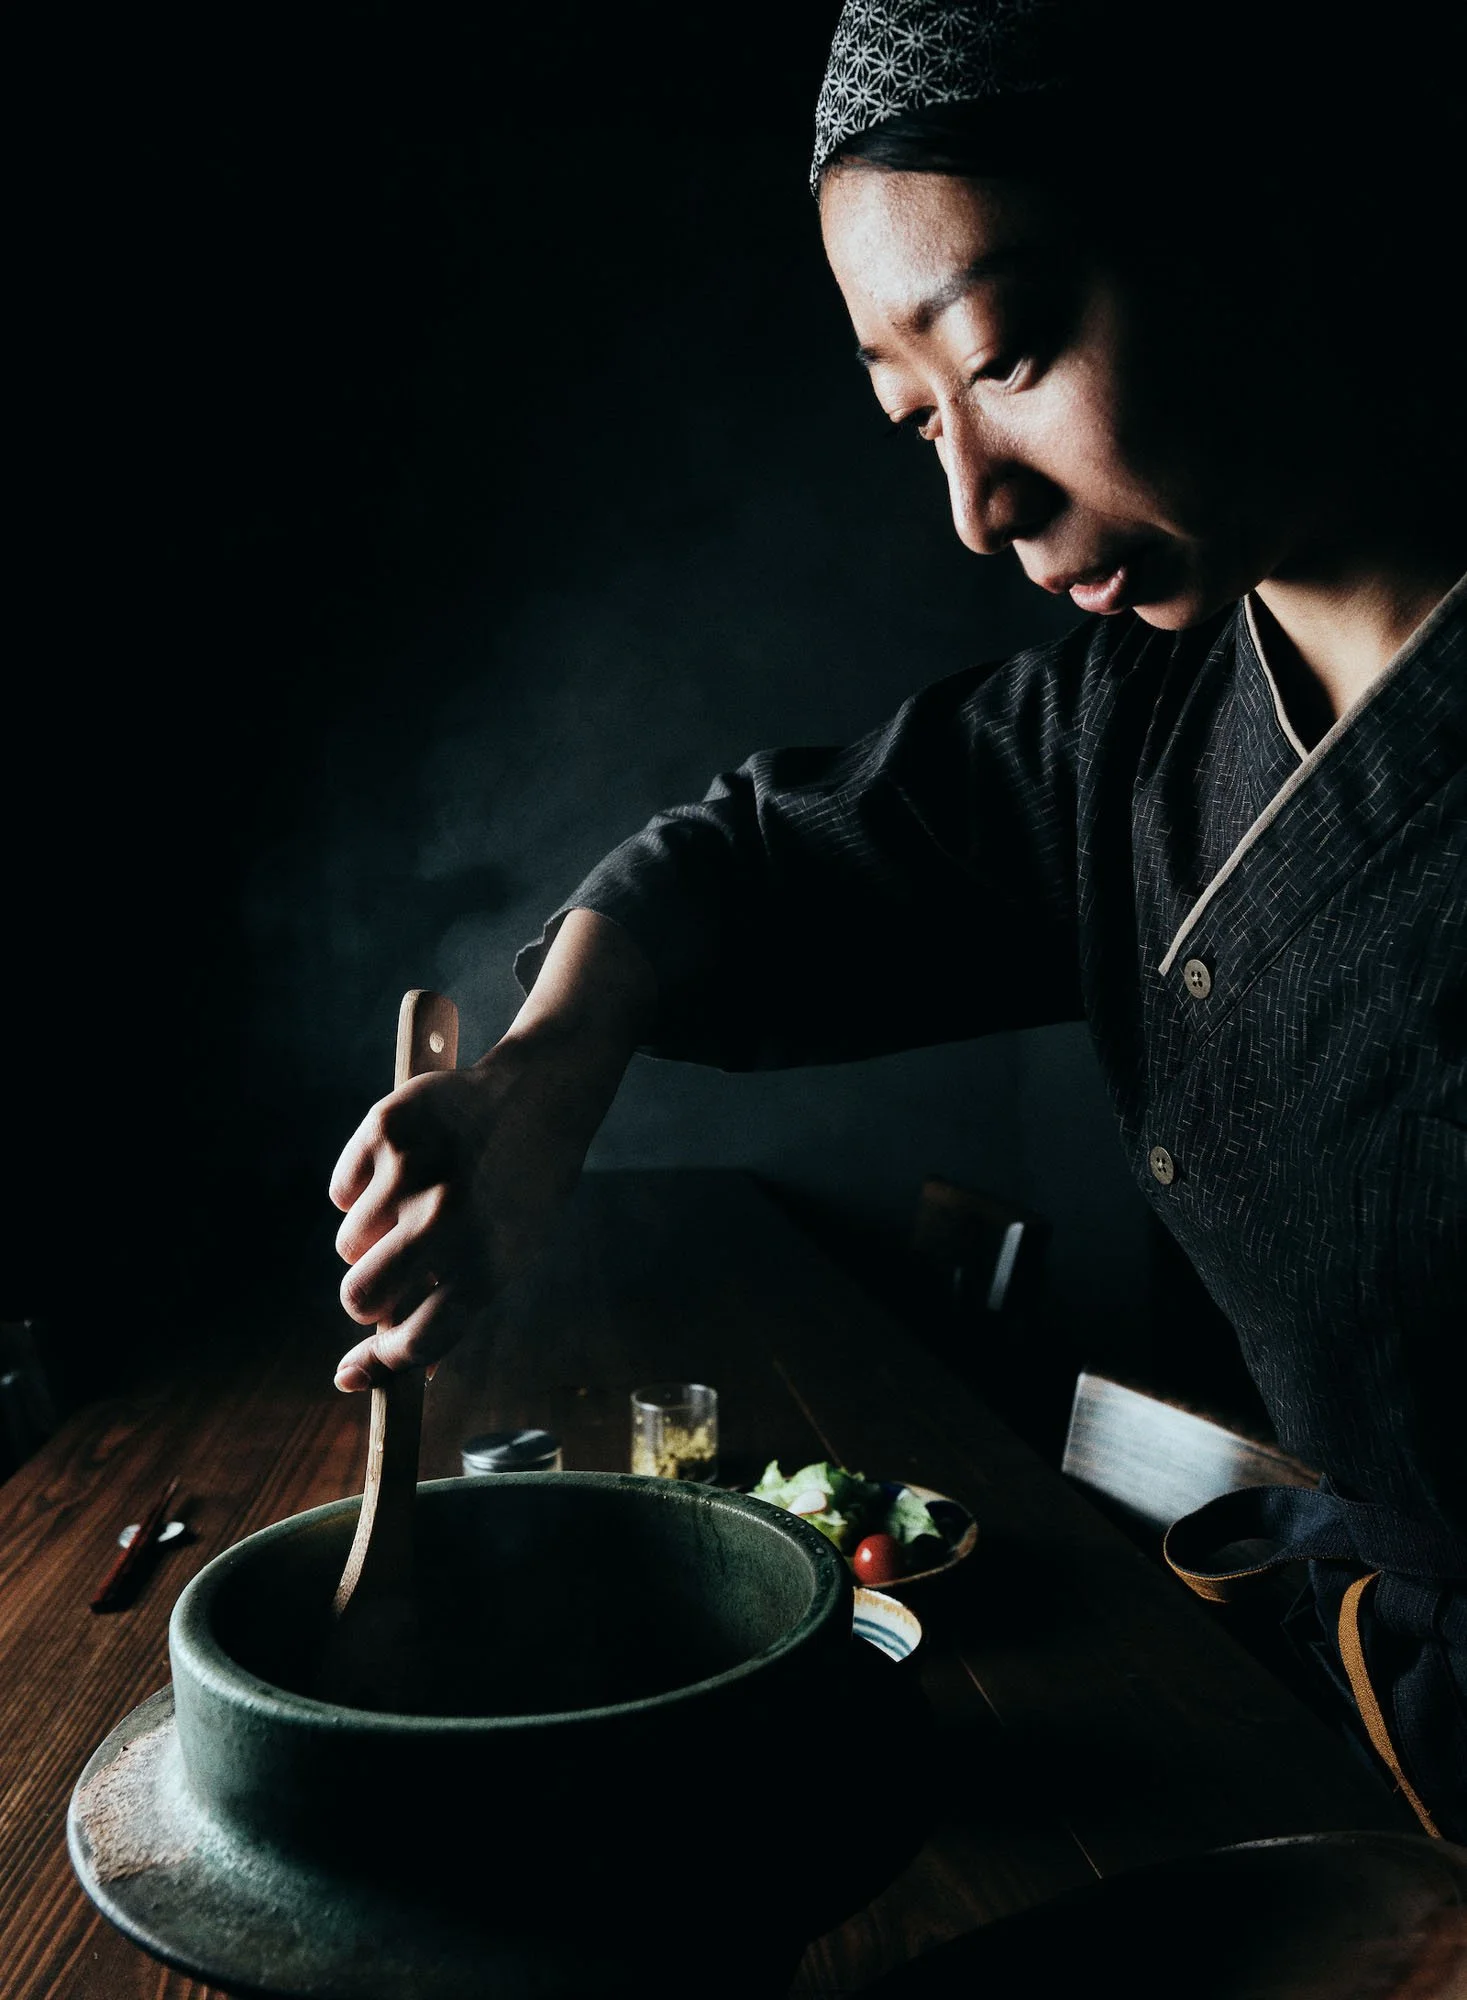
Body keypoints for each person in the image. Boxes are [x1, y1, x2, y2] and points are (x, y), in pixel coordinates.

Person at [328, 2, 1466, 1833]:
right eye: (908, 413)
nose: (972, 502)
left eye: (1002, 356)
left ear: (1252, 214)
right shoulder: (1141, 721)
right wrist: (552, 1071)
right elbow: (744, 861)